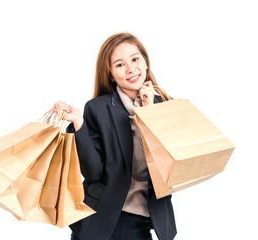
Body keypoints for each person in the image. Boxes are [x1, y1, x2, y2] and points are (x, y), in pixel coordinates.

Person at [51, 32, 177, 240]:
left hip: (143, 222)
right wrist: (78, 124)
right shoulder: (98, 109)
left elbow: (175, 168)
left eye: (135, 59)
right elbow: (93, 172)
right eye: (119, 65)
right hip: (100, 220)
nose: (130, 69)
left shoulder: (168, 107)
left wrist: (150, 113)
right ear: (110, 74)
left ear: (146, 62)